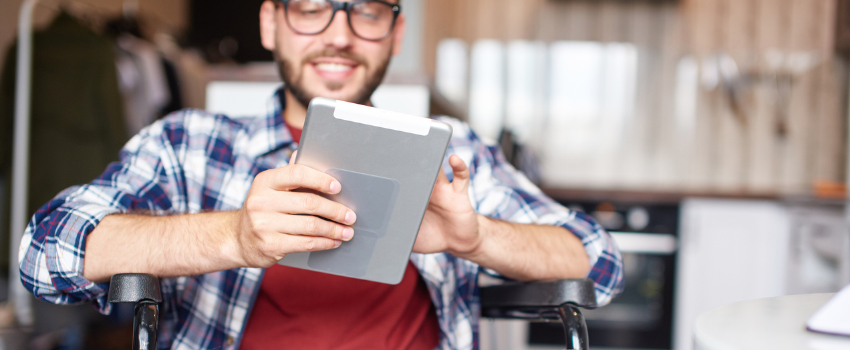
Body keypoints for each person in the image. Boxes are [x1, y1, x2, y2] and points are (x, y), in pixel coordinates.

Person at [19, 0, 624, 349]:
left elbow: (597, 261)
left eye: (364, 10)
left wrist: (477, 238)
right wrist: (233, 237)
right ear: (270, 23)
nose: (339, 35)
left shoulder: (451, 155)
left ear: (395, 33)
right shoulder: (189, 144)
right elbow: (44, 251)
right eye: (311, 7)